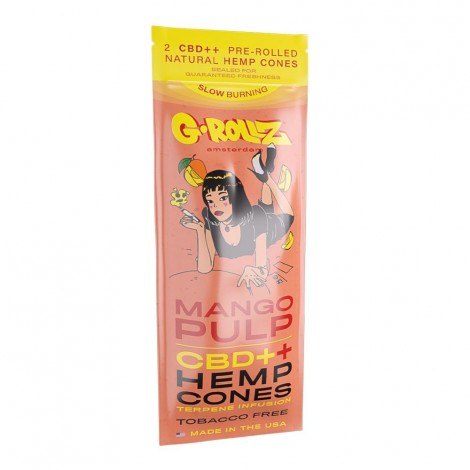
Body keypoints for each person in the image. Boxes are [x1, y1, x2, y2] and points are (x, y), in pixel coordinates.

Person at [180, 144, 294, 289]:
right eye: (210, 201)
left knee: (287, 215)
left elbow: (262, 266)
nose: (216, 206)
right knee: (266, 206)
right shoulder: (209, 218)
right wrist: (199, 229)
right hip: (256, 217)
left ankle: (267, 178)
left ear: (236, 198)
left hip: (268, 225)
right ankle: (266, 171)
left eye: (222, 198)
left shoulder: (256, 217)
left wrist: (252, 269)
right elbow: (205, 268)